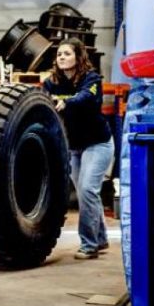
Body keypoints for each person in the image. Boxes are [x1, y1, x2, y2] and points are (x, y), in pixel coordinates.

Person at [43, 38, 113, 260]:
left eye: (67, 54)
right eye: (59, 54)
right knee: (87, 193)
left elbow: (87, 97)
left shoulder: (91, 79)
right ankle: (101, 239)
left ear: (78, 57)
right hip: (74, 147)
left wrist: (67, 102)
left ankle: (89, 244)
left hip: (98, 143)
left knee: (86, 190)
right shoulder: (51, 83)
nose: (61, 57)